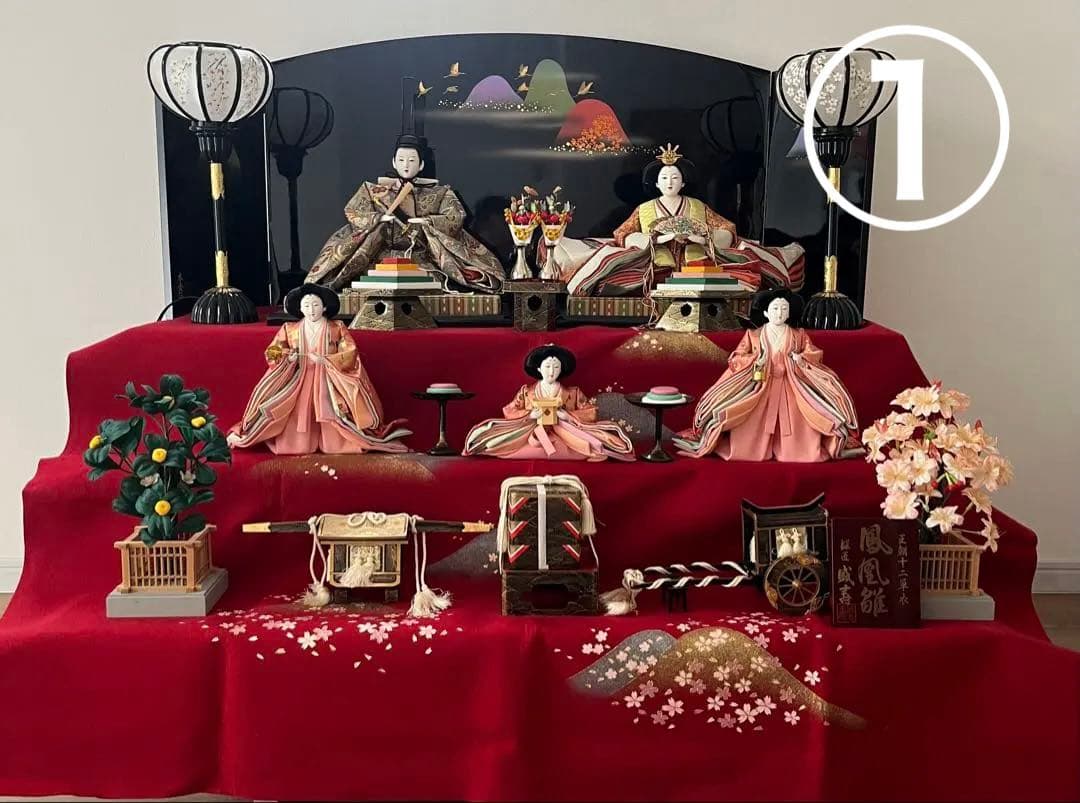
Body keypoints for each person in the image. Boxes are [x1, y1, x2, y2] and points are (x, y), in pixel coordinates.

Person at [303, 82, 504, 293]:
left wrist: (428, 221)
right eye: (401, 160)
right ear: (393, 162)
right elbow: (353, 211)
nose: (406, 165)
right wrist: (377, 219)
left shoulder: (440, 193)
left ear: (421, 164)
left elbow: (455, 216)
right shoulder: (372, 191)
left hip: (422, 259)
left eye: (411, 160)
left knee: (435, 282)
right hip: (379, 259)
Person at [548, 143, 805, 296]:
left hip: (696, 264)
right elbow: (622, 235)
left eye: (675, 178)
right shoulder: (645, 208)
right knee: (613, 268)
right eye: (664, 178)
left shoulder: (696, 206)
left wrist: (700, 238)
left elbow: (726, 229)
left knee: (743, 265)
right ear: (656, 183)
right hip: (654, 264)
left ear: (683, 182)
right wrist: (657, 239)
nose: (669, 182)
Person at [673, 287, 861, 461]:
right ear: (765, 312)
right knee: (749, 421)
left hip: (791, 386)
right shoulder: (754, 335)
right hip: (760, 386)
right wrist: (754, 360)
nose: (779, 313)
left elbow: (813, 353)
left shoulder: (799, 335)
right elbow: (737, 357)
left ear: (789, 312)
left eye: (784, 309)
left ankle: (796, 449)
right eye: (775, 308)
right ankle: (749, 448)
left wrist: (801, 359)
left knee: (801, 422)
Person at [227, 285, 410, 454]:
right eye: (306, 305)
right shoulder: (290, 329)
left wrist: (326, 360)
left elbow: (350, 351)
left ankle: (336, 443)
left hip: (328, 378)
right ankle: (298, 443)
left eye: (315, 305)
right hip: (299, 378)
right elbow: (273, 351)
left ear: (324, 307)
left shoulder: (336, 327)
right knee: (295, 411)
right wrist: (287, 357)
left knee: (331, 409)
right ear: (300, 309)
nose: (311, 309)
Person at [462, 344, 635, 461]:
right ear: (539, 368)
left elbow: (591, 411)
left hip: (565, 433)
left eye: (556, 367)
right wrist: (530, 415)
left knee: (590, 446)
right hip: (530, 432)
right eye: (547, 366)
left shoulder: (573, 393)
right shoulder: (526, 391)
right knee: (497, 445)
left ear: (561, 370)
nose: (551, 371)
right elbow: (509, 409)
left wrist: (567, 416)